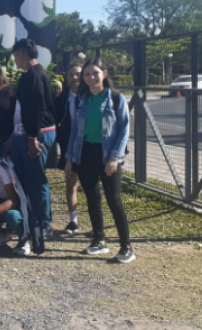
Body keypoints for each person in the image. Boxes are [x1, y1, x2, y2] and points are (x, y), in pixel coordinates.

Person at [65, 59, 134, 264]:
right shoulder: (82, 99)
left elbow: (124, 130)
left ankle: (126, 246)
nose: (91, 77)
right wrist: (69, 158)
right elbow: (74, 131)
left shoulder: (116, 98)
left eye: (95, 73)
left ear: (104, 73)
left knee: (114, 200)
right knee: (92, 198)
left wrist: (115, 157)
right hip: (85, 154)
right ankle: (99, 240)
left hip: (108, 156)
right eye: (87, 74)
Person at [10, 39, 56, 254]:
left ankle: (43, 223)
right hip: (28, 134)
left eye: (15, 56)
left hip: (37, 134)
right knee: (28, 180)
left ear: (22, 54)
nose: (15, 61)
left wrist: (32, 137)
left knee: (37, 180)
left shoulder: (35, 75)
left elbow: (37, 108)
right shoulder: (30, 75)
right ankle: (33, 218)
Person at [54, 63, 83, 235]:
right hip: (69, 147)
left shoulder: (91, 96)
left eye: (78, 74)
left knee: (90, 186)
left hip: (88, 147)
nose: (74, 78)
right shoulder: (61, 99)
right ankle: (73, 221)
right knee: (71, 183)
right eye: (71, 74)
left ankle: (97, 224)